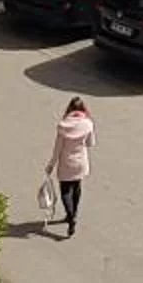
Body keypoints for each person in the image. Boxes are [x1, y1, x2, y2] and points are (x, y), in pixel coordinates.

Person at [45, 97, 94, 237]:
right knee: (77, 187)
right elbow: (90, 143)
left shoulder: (63, 126)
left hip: (66, 163)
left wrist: (51, 165)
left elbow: (57, 149)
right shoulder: (88, 124)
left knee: (65, 191)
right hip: (80, 163)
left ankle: (70, 215)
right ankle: (74, 214)